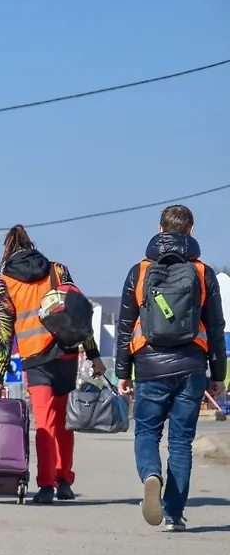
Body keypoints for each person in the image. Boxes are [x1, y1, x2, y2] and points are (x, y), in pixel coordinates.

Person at [115, 205, 226, 531]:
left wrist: (123, 372)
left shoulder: (139, 271)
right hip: (192, 366)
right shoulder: (203, 273)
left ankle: (151, 474)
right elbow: (216, 327)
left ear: (160, 229)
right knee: (181, 442)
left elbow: (125, 326)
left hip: (150, 365)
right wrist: (217, 375)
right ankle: (173, 515)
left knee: (147, 432)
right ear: (190, 231)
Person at [0, 225, 105, 505]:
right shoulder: (57, 271)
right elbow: (79, 313)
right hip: (65, 353)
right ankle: (64, 480)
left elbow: (3, 331)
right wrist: (93, 354)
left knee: (45, 422)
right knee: (64, 422)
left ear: (8, 251)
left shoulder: (6, 281)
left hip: (35, 358)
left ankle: (45, 485)